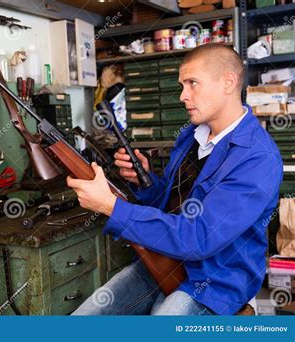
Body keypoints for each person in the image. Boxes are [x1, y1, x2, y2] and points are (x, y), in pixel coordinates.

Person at [67, 43, 283, 315]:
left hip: (217, 281)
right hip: (165, 257)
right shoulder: (191, 136)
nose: (183, 96)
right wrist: (143, 182)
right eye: (182, 85)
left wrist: (111, 206)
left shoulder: (257, 158)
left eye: (192, 83)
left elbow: (199, 238)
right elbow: (171, 205)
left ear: (228, 83)